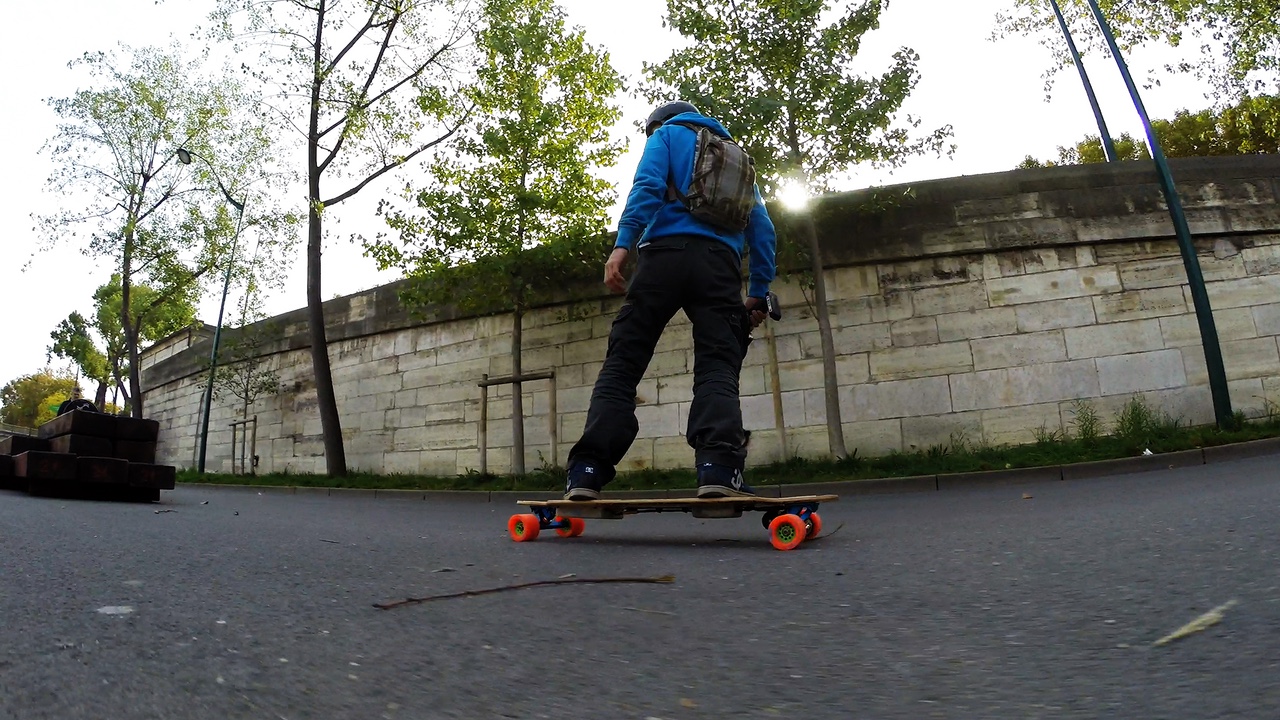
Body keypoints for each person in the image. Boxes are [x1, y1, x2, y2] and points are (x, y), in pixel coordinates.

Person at [563, 100, 778, 500]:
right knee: (718, 366)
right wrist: (758, 292)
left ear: (657, 124)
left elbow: (646, 186)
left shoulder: (665, 135)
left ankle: (587, 472)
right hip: (719, 265)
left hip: (662, 259)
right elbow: (763, 228)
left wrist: (622, 245)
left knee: (623, 363)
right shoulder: (736, 155)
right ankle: (719, 468)